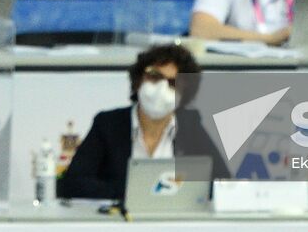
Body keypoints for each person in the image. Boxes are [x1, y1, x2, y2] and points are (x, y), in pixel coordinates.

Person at [58, 44, 229, 200]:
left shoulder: (190, 125)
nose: (161, 89)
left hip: (173, 225)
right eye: (154, 77)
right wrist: (133, 193)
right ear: (138, 80)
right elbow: (73, 184)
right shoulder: (108, 124)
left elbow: (224, 183)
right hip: (120, 225)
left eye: (173, 83)